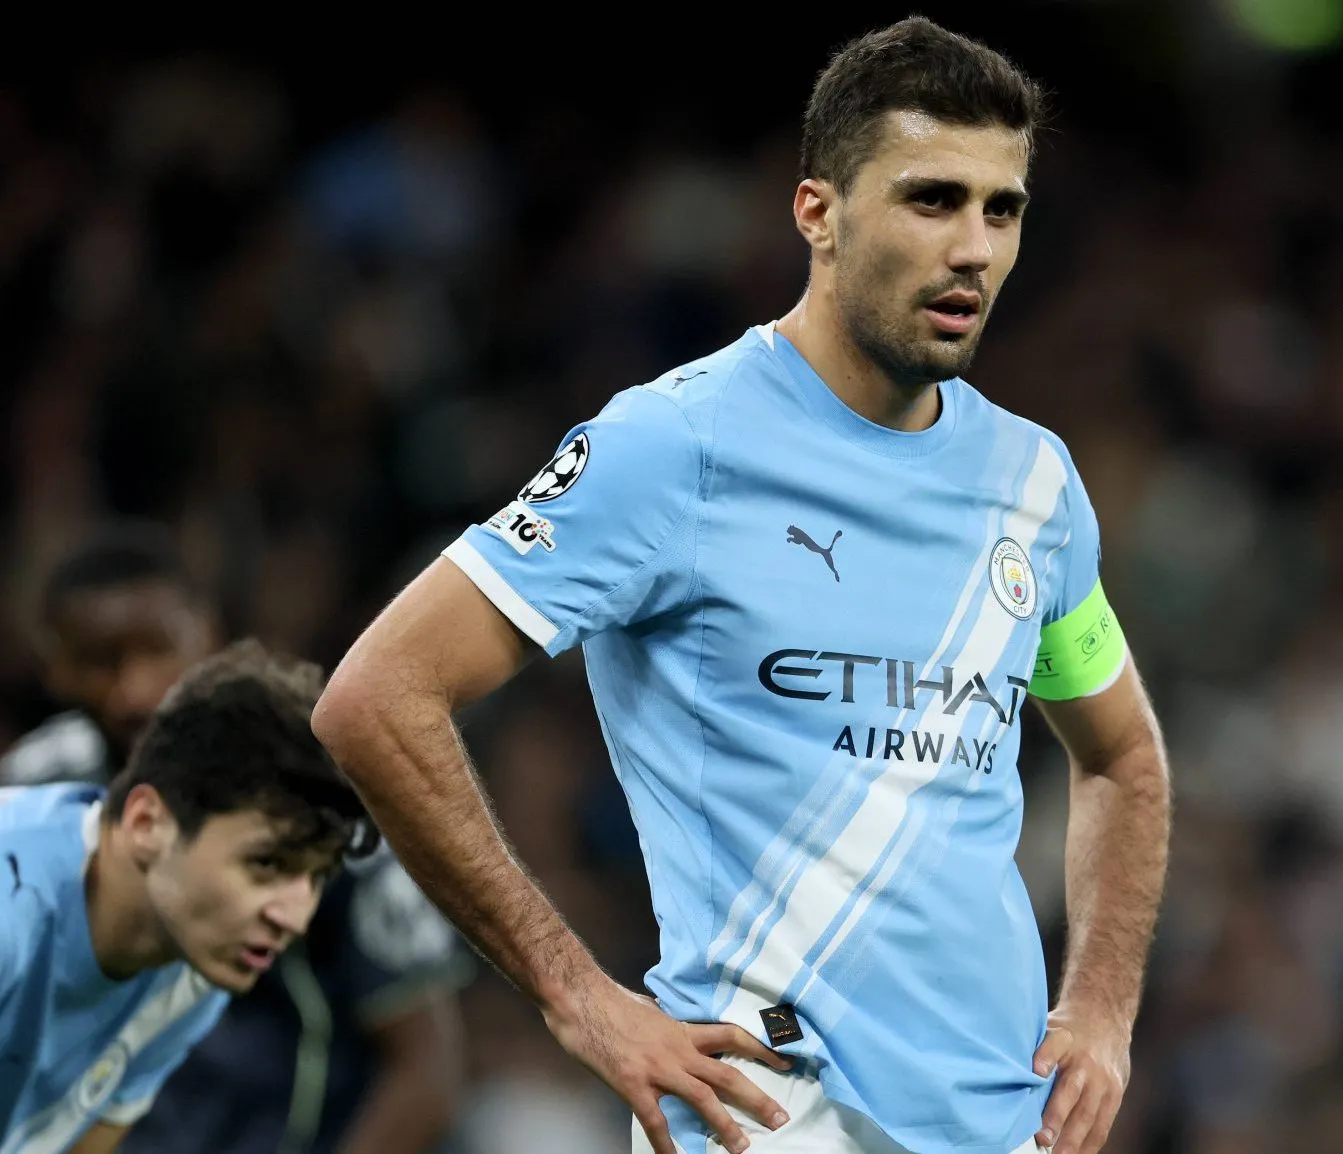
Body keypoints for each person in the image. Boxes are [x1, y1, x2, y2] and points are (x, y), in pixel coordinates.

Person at [311, 16, 1172, 1154]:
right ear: (817, 211)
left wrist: (1101, 1007)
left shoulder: (1035, 484)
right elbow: (375, 698)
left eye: (1000, 209)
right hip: (765, 1109)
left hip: (1003, 1119)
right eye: (931, 199)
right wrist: (579, 998)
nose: (973, 246)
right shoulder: (675, 445)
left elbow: (1122, 755)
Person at [1, 525, 473, 1154]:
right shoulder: (31, 818)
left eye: (157, 648)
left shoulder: (320, 798)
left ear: (208, 632)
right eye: (265, 864)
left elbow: (424, 1069)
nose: (135, 690)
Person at [1, 640, 378, 1154]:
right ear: (146, 824)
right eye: (266, 864)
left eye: (317, 877)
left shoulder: (191, 962)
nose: (293, 918)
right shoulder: (11, 910)